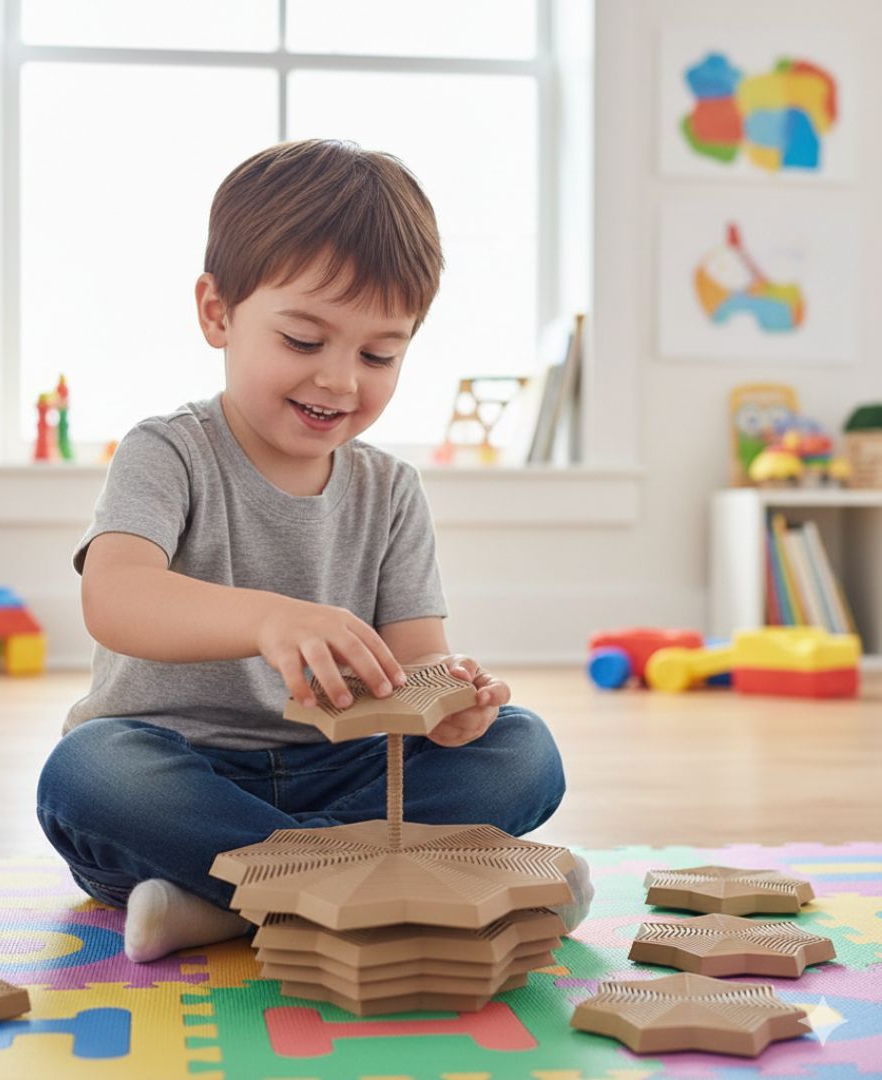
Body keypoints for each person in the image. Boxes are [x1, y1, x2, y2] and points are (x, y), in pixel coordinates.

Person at [36, 139, 590, 964]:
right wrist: (269, 620)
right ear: (217, 313)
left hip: (344, 773)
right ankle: (391, 883)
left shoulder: (390, 488)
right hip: (179, 765)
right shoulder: (166, 451)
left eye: (378, 356)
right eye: (303, 341)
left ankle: (231, 902)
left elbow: (414, 664)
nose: (339, 380)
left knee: (524, 750)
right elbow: (114, 598)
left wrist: (454, 708)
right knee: (89, 773)